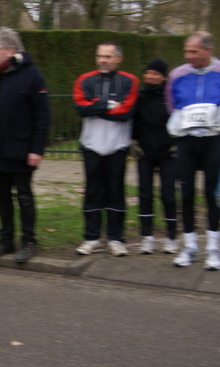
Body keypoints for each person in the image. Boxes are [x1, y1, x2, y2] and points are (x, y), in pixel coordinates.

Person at [166, 31, 220, 270]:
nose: (188, 56)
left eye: (194, 52)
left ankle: (213, 249)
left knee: (212, 194)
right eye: (186, 52)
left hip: (214, 141)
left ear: (208, 50)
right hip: (187, 141)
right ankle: (190, 247)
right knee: (186, 195)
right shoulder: (177, 75)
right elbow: (171, 107)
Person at [0, 27, 51, 263]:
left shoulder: (32, 75)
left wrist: (36, 149)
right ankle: (6, 240)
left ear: (11, 50)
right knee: (2, 196)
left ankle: (28, 241)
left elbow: (42, 116)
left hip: (21, 150)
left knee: (24, 197)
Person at [73, 42, 139, 257]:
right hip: (92, 145)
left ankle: (116, 238)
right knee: (92, 192)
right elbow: (80, 108)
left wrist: (95, 106)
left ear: (118, 58)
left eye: (108, 57)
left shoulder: (130, 81)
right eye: (100, 56)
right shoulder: (84, 80)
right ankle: (91, 238)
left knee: (115, 192)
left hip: (117, 147)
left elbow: (126, 112)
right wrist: (109, 105)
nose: (103, 60)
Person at [131, 58, 178, 255]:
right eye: (148, 73)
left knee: (168, 194)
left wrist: (176, 143)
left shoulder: (171, 97)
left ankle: (171, 237)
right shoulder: (140, 96)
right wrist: (134, 142)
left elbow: (179, 119)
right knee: (145, 194)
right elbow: (133, 120)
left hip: (168, 153)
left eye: (156, 74)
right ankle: (147, 237)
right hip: (145, 152)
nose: (151, 77)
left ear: (164, 77)